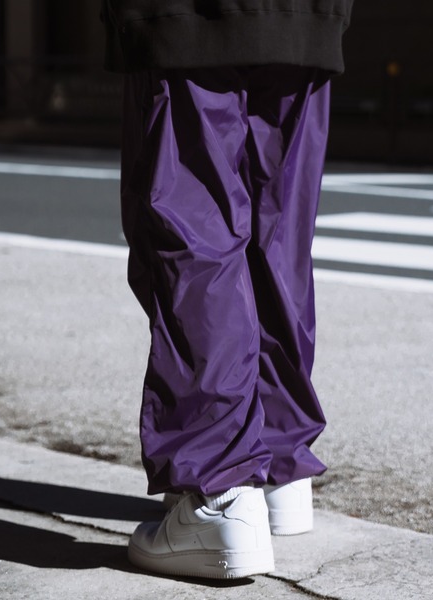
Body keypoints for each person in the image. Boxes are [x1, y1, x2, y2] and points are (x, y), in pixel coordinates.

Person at [101, 0, 354, 580]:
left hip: (189, 16)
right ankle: (279, 470)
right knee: (279, 237)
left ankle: (219, 493)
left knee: (195, 234)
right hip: (305, 14)